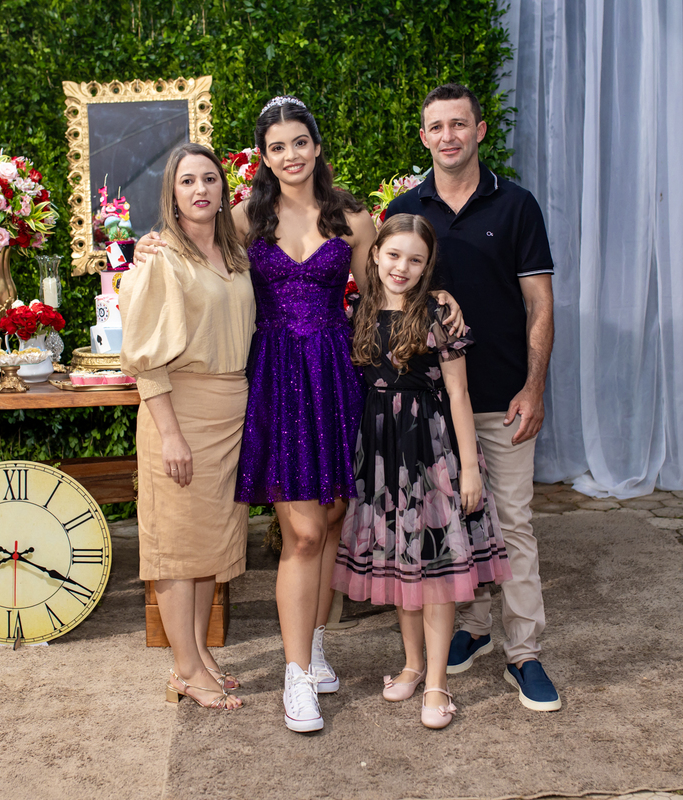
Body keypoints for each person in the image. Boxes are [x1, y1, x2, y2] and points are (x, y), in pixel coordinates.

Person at [137, 96, 464, 733]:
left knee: (334, 515)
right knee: (305, 533)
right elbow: (193, 248)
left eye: (300, 142)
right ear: (263, 156)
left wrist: (437, 295)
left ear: (316, 146)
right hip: (276, 378)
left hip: (339, 374)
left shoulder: (354, 217)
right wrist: (152, 244)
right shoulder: (243, 218)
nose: (291, 155)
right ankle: (295, 678)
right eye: (277, 146)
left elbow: (385, 294)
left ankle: (313, 650)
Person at [384, 83, 560, 712]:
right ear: (423, 136)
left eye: (459, 124)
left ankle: (524, 653)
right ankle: (477, 627)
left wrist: (534, 387)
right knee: (452, 527)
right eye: (437, 127)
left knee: (511, 525)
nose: (448, 136)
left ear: (480, 131)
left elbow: (540, 303)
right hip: (426, 412)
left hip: (501, 399)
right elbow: (387, 294)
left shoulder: (516, 205)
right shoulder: (406, 209)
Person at [331, 214, 511, 730]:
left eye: (415, 259)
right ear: (374, 255)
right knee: (399, 566)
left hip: (429, 452)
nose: (402, 267)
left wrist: (470, 469)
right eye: (393, 255)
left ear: (428, 265)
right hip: (378, 455)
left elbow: (458, 393)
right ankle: (411, 665)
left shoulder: (437, 314)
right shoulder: (357, 311)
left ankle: (436, 682)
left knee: (434, 572)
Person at [116, 142, 255, 711]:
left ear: (224, 189)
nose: (201, 189)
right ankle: (185, 669)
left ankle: (198, 656)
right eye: (187, 181)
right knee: (177, 549)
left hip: (230, 412)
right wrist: (171, 434)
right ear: (171, 195)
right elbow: (146, 358)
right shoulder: (161, 258)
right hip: (181, 412)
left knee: (206, 550)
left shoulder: (234, 252)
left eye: (210, 179)